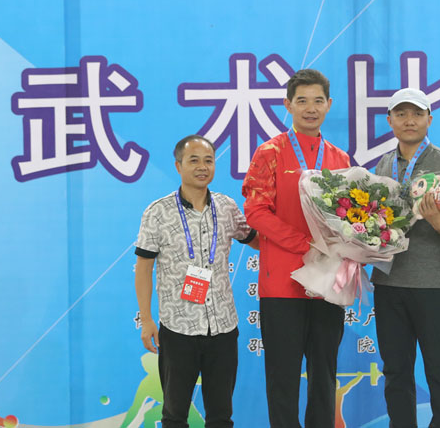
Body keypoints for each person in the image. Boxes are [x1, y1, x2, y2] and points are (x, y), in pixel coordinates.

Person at [242, 69, 350, 428]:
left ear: (329, 104)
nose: (310, 108)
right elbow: (256, 212)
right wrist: (304, 244)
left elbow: (352, 218)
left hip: (327, 284)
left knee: (325, 374)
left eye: (318, 101)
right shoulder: (269, 153)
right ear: (288, 105)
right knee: (282, 376)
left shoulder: (340, 159)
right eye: (302, 101)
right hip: (282, 283)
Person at [134, 135, 258, 428]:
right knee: (175, 415)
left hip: (223, 327)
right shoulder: (158, 212)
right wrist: (147, 320)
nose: (202, 167)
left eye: (208, 160)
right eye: (194, 160)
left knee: (221, 416)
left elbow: (257, 240)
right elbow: (143, 268)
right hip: (179, 329)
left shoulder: (227, 207)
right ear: (178, 166)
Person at [371, 87, 440, 428]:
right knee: (395, 369)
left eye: (416, 114)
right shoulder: (383, 164)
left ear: (429, 119)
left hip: (432, 283)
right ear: (390, 120)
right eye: (401, 114)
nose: (409, 120)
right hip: (388, 281)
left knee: (439, 366)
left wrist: (438, 222)